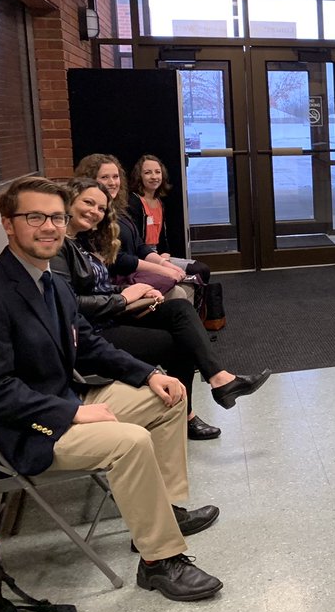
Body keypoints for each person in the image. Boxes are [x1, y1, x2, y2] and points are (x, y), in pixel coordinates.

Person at [0, 176, 223, 601]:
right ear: (8, 223)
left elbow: (87, 343)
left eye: (56, 216)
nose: (49, 227)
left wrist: (149, 374)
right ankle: (159, 561)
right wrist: (71, 413)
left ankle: (161, 513)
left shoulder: (51, 282)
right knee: (129, 442)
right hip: (24, 429)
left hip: (64, 400)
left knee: (168, 397)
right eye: (34, 217)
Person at [53, 177, 270, 441]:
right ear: (68, 201)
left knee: (179, 308)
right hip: (90, 334)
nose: (94, 212)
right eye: (88, 203)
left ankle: (219, 378)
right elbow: (69, 304)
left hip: (109, 313)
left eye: (100, 208)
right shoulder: (57, 247)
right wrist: (124, 299)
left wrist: (135, 293)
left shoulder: (83, 241)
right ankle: (186, 416)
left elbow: (99, 287)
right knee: (180, 344)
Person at [74, 154, 187, 289]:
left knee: (189, 277)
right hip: (117, 279)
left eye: (115, 177)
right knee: (176, 289)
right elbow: (117, 258)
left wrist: (164, 263)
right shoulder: (94, 216)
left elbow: (140, 245)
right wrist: (162, 270)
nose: (112, 182)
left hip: (134, 271)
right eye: (105, 177)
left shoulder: (120, 210)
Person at [127, 153, 211, 285]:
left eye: (157, 172)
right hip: (143, 259)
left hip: (159, 256)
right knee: (198, 271)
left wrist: (165, 254)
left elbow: (162, 238)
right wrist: (160, 262)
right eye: (148, 173)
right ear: (139, 176)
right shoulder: (133, 203)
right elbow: (135, 244)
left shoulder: (159, 202)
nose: (154, 177)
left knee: (202, 270)